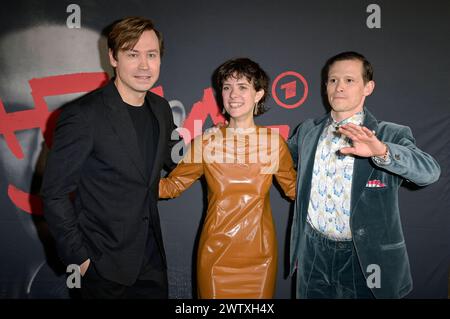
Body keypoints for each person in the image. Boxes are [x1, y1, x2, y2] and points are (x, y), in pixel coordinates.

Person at [41, 17, 178, 299]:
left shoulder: (161, 109)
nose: (144, 65)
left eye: (151, 55)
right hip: (102, 268)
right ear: (113, 58)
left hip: (151, 262)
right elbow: (54, 194)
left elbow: (181, 159)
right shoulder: (83, 115)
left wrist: (233, 142)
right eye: (132, 54)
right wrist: (82, 260)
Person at [287, 51, 441, 299]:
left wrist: (381, 151)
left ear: (368, 87)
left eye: (349, 80)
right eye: (333, 80)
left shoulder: (389, 134)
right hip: (313, 255)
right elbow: (279, 161)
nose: (339, 87)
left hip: (365, 259)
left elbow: (429, 172)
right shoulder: (307, 130)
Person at [159, 58, 297, 298]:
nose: (233, 94)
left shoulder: (273, 144)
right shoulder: (206, 143)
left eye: (242, 86)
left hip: (260, 258)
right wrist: (123, 180)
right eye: (226, 87)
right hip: (215, 255)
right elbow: (171, 186)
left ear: (258, 94)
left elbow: (295, 190)